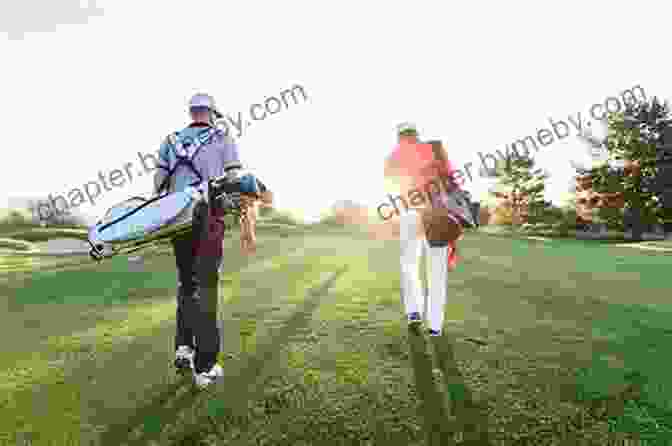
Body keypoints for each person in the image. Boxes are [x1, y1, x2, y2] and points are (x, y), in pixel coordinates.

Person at [153, 93, 248, 389]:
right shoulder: (223, 136)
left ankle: (184, 348)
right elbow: (233, 179)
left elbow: (158, 183)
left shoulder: (170, 140)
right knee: (206, 286)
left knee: (187, 283)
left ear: (191, 112)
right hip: (207, 214)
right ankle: (205, 367)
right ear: (211, 112)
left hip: (176, 217)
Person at [384, 123, 462, 337]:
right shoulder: (435, 148)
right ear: (417, 135)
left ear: (399, 137)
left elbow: (391, 187)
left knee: (408, 265)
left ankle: (413, 312)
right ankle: (435, 326)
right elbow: (452, 180)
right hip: (436, 212)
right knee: (436, 271)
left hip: (408, 213)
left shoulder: (393, 157)